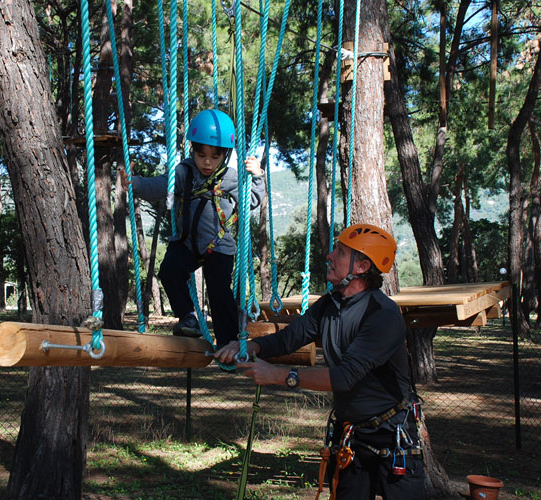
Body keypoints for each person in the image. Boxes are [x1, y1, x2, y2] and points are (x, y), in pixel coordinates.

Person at [215, 223, 426, 499]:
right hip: (352, 437)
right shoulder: (330, 304)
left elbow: (343, 377)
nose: (329, 255)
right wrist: (251, 346)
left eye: (339, 251)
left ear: (362, 267)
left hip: (392, 436)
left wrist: (277, 375)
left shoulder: (382, 314)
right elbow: (288, 339)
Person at [121, 109, 264, 347]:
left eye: (215, 156)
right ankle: (188, 317)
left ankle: (229, 343)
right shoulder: (183, 172)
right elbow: (158, 186)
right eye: (201, 155)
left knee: (220, 292)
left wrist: (257, 175)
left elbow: (252, 200)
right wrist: (134, 183)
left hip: (219, 246)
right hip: (187, 242)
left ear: (225, 155)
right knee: (169, 271)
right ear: (192, 151)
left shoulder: (231, 178)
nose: (207, 161)